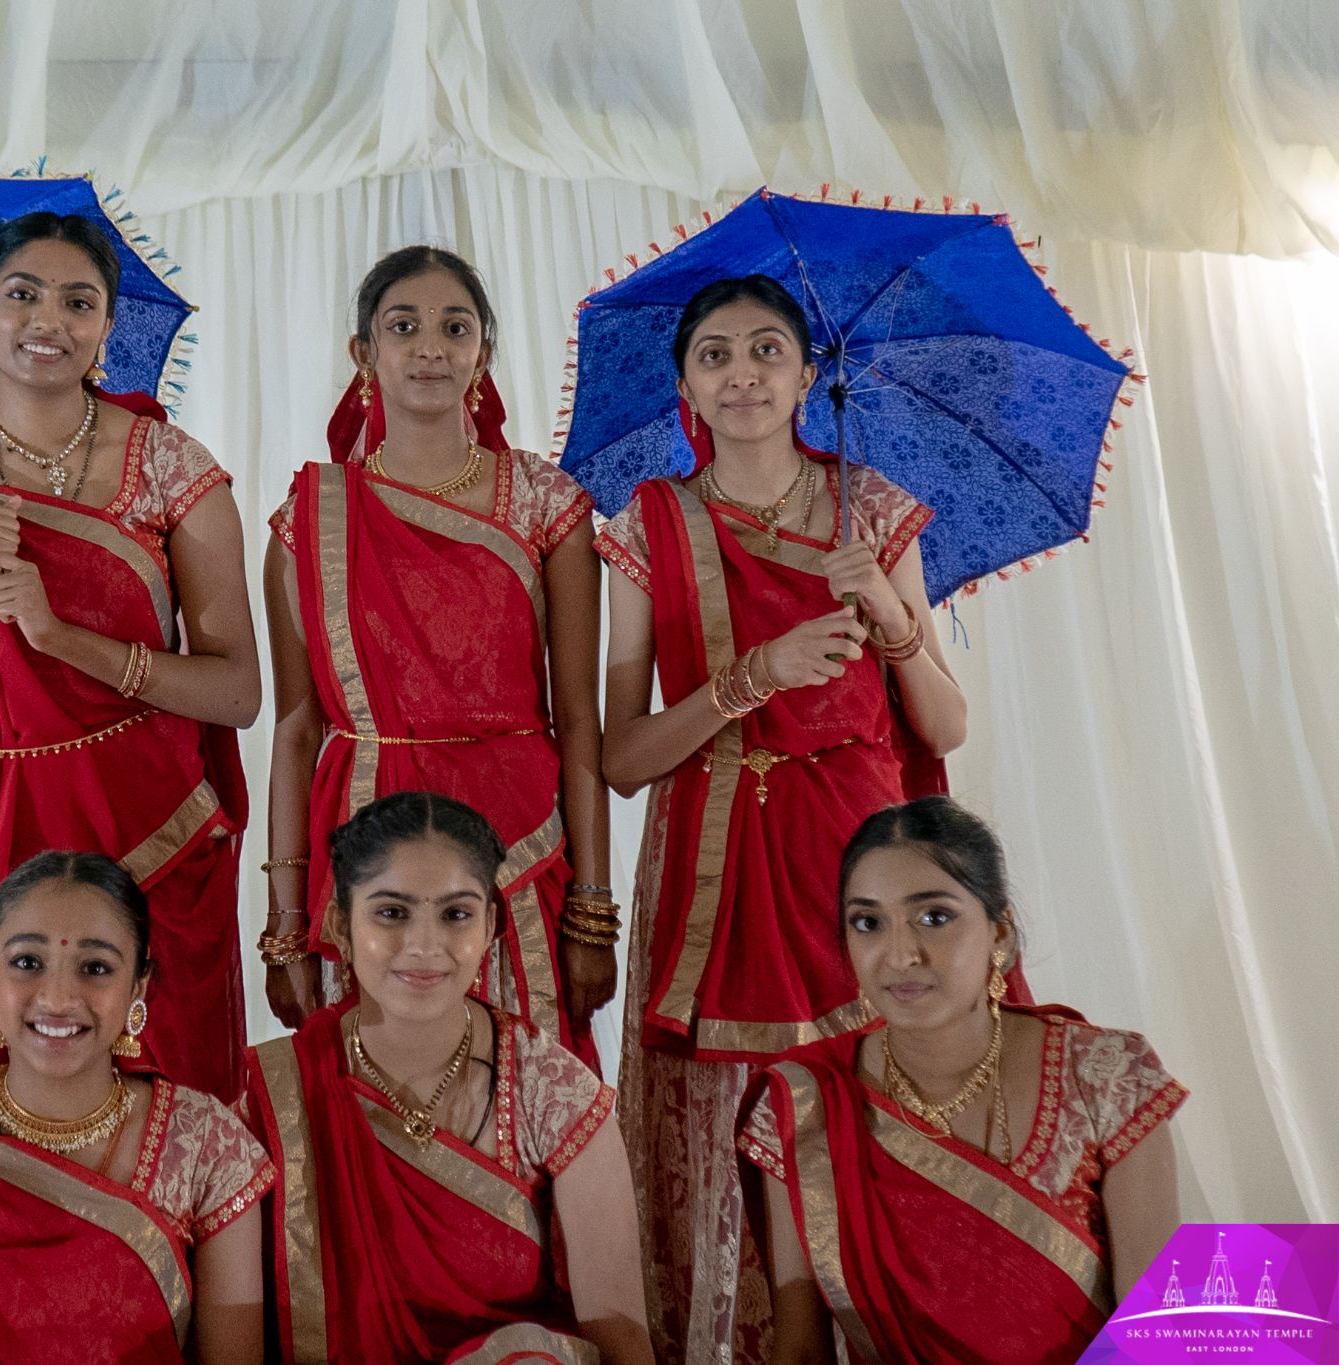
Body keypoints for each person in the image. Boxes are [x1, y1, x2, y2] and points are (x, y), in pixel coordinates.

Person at [594, 274, 969, 1360]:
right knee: (734, 1138)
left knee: (871, 1116)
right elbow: (623, 758)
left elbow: (945, 724)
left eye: (767, 349)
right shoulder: (650, 526)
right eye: (714, 354)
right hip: (716, 861)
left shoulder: (872, 511)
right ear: (685, 388)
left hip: (862, 860)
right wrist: (751, 676)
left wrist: (890, 613)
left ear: (809, 376)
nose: (742, 374)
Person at [0, 211, 259, 1100]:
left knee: (159, 1120)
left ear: (107, 327)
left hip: (148, 834)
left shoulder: (171, 468)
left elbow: (236, 691)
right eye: (23, 295)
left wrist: (63, 638)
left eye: (79, 302)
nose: (49, 320)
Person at [262, 246, 613, 1065]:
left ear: (482, 354)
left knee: (520, 1088)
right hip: (366, 843)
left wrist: (593, 907)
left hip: (517, 843)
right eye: (403, 326)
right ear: (364, 352)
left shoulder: (546, 503)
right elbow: (295, 728)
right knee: (379, 1095)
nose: (430, 347)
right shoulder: (310, 521)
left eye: (455, 328)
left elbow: (579, 718)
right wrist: (285, 924)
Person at [742, 796, 1185, 1364]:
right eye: (868, 923)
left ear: (1000, 934)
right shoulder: (807, 1101)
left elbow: (1157, 1340)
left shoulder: (1106, 1075)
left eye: (934, 917)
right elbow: (801, 1350)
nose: (900, 955)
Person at [244, 793, 653, 1365]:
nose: (424, 946)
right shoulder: (273, 1096)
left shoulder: (552, 1093)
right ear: (340, 926)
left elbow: (622, 1343)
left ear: (490, 926)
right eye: (392, 913)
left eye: (456, 914)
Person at [0, 851, 273, 1365]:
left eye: (95, 968)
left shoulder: (206, 1148)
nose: (59, 998)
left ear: (138, 985)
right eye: (27, 963)